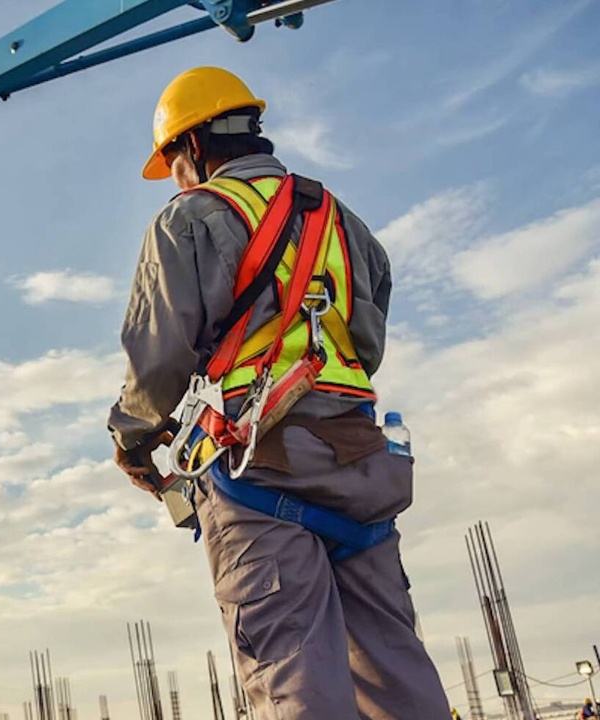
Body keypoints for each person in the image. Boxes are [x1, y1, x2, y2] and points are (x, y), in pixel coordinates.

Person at [107, 66, 450, 718]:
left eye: (174, 163)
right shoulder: (342, 220)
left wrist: (132, 437)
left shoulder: (190, 218)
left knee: (295, 678)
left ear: (194, 146)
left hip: (256, 468)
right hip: (360, 465)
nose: (176, 179)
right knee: (398, 675)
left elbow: (158, 357)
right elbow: (367, 340)